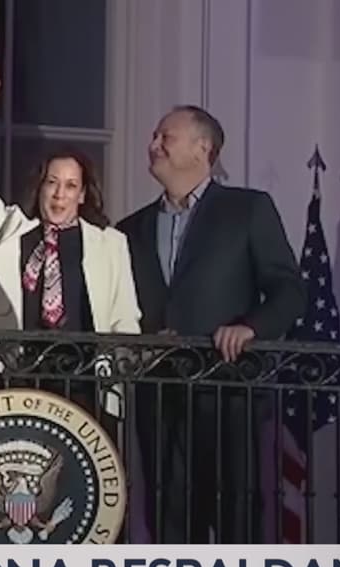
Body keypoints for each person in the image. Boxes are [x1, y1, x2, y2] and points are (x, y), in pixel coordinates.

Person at [116, 105, 306, 544]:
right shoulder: (129, 230)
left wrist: (250, 327)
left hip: (228, 393)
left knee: (238, 520)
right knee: (168, 524)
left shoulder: (247, 209)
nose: (153, 144)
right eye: (154, 137)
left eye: (165, 136)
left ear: (203, 148)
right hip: (159, 399)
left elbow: (290, 291)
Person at [0, 58, 141, 421]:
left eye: (70, 186)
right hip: (16, 383)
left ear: (82, 194)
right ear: (40, 187)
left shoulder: (110, 244)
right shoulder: (14, 231)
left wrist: (119, 385)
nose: (59, 194)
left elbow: (124, 320)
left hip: (86, 388)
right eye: (52, 183)